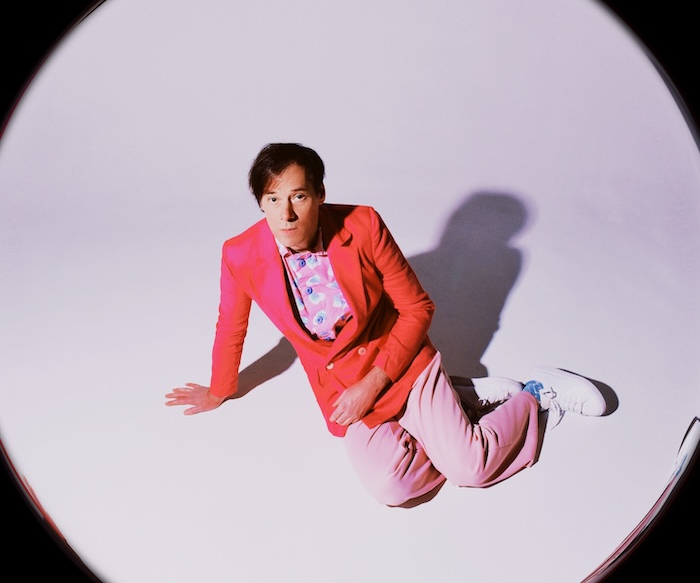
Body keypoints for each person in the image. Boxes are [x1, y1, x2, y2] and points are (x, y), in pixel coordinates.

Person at [165, 143, 607, 506]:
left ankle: (536, 394)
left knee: (470, 468)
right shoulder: (240, 254)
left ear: (320, 194)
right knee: (390, 488)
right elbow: (231, 325)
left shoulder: (363, 224)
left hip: (399, 361)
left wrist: (374, 382)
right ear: (261, 203)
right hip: (341, 388)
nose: (286, 215)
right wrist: (219, 390)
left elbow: (417, 309)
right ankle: (459, 405)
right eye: (272, 200)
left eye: (298, 196)